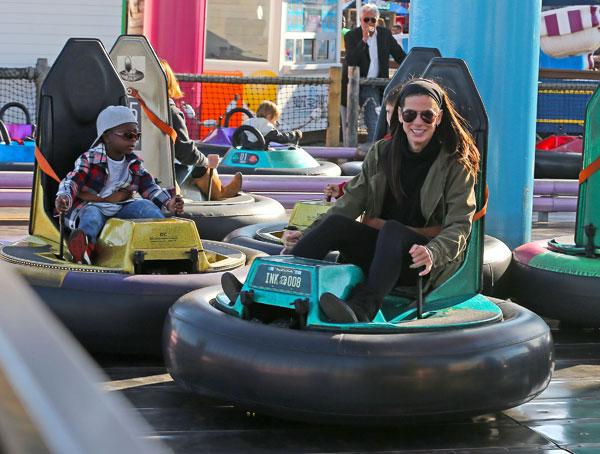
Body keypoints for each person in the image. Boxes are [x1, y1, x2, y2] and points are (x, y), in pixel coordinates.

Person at [224, 79, 480, 324]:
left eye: (428, 116)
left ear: (439, 118)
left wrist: (433, 252)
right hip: (380, 251)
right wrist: (307, 233)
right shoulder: (382, 153)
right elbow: (350, 202)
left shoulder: (455, 163)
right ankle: (261, 289)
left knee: (392, 230)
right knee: (336, 222)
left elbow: (460, 225)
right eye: (411, 115)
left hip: (418, 260)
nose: (418, 122)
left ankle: (361, 308)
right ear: (400, 116)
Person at [55, 105, 185, 265]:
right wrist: (64, 196)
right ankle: (83, 249)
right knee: (92, 217)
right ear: (107, 136)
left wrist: (169, 203)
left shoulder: (134, 162)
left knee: (146, 206)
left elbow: (150, 187)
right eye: (128, 135)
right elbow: (73, 180)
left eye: (137, 136)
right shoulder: (90, 158)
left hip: (121, 207)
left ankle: (165, 243)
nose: (133, 140)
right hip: (94, 205)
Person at [160, 59, 242, 199]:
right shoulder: (171, 112)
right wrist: (205, 161)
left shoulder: (134, 107)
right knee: (201, 166)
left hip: (141, 167)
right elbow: (185, 153)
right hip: (165, 173)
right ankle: (221, 193)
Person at [341, 4, 406, 146]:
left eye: (373, 20)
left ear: (377, 20)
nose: (370, 23)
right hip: (353, 84)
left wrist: (411, 67)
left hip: (374, 85)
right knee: (348, 122)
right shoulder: (352, 36)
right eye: (366, 20)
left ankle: (372, 151)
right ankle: (347, 153)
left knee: (374, 119)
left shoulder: (384, 34)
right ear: (360, 19)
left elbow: (399, 56)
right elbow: (351, 60)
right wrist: (364, 40)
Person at [325, 85, 403, 200]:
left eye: (395, 112)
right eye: (388, 112)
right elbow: (369, 178)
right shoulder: (384, 145)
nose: (391, 118)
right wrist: (343, 188)